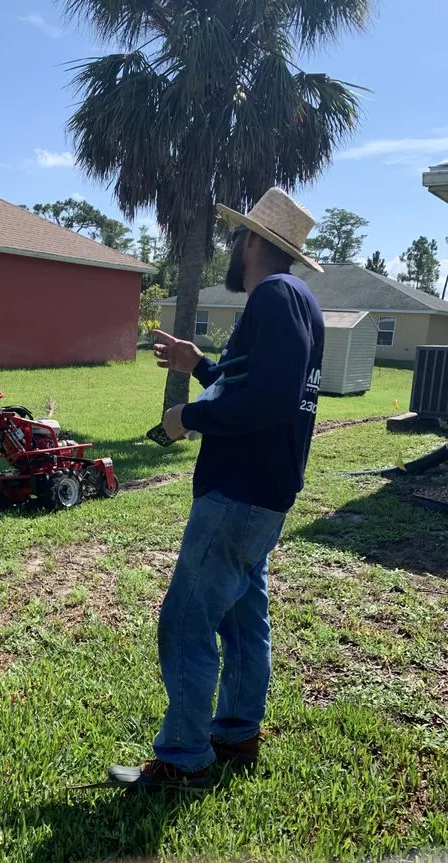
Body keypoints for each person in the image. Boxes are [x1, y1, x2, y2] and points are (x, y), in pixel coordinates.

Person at [109, 188, 326, 789]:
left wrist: (189, 417)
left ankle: (183, 759)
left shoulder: (275, 296)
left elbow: (271, 400)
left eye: (238, 238)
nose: (234, 249)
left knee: (185, 621)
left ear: (253, 241)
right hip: (265, 493)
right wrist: (199, 365)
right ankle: (236, 732)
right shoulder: (300, 301)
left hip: (238, 491)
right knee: (241, 617)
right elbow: (254, 383)